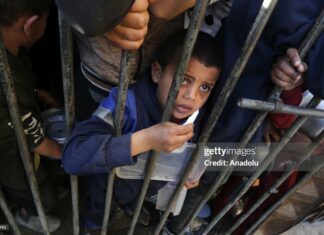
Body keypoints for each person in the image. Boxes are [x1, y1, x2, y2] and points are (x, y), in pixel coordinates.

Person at [164, 0, 324, 234]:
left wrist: (293, 82)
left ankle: (181, 217)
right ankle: (174, 224)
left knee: (210, 168)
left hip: (237, 103)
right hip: (229, 108)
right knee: (200, 169)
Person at [62, 30, 223, 229]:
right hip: (107, 190)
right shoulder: (126, 104)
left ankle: (130, 211)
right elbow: (73, 156)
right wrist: (145, 139)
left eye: (205, 87)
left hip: (143, 189)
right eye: (183, 79)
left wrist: (186, 173)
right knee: (100, 217)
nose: (192, 96)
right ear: (157, 72)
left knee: (132, 206)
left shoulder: (195, 114)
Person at [0, 0, 63, 232]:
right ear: (30, 24)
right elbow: (31, 138)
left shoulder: (12, 52)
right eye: (47, 19)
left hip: (18, 147)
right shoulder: (8, 74)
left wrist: (35, 93)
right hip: (10, 162)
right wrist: (66, 154)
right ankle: (25, 215)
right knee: (35, 194)